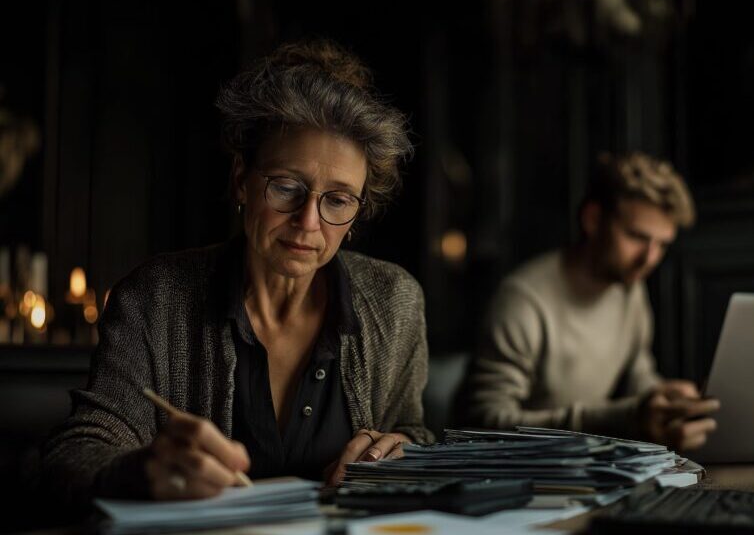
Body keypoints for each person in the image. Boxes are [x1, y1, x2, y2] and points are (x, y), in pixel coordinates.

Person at [41, 39, 433, 510]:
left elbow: (411, 429)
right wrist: (139, 471)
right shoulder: (155, 298)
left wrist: (403, 449)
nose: (308, 222)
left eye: (338, 200)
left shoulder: (395, 301)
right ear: (241, 180)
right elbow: (74, 453)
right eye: (287, 187)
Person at [456, 152, 719, 450]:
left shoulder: (629, 289)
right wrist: (628, 418)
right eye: (637, 237)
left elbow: (638, 374)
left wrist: (668, 401)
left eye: (662, 245)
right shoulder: (523, 300)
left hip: (586, 467)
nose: (650, 258)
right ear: (593, 219)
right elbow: (483, 422)